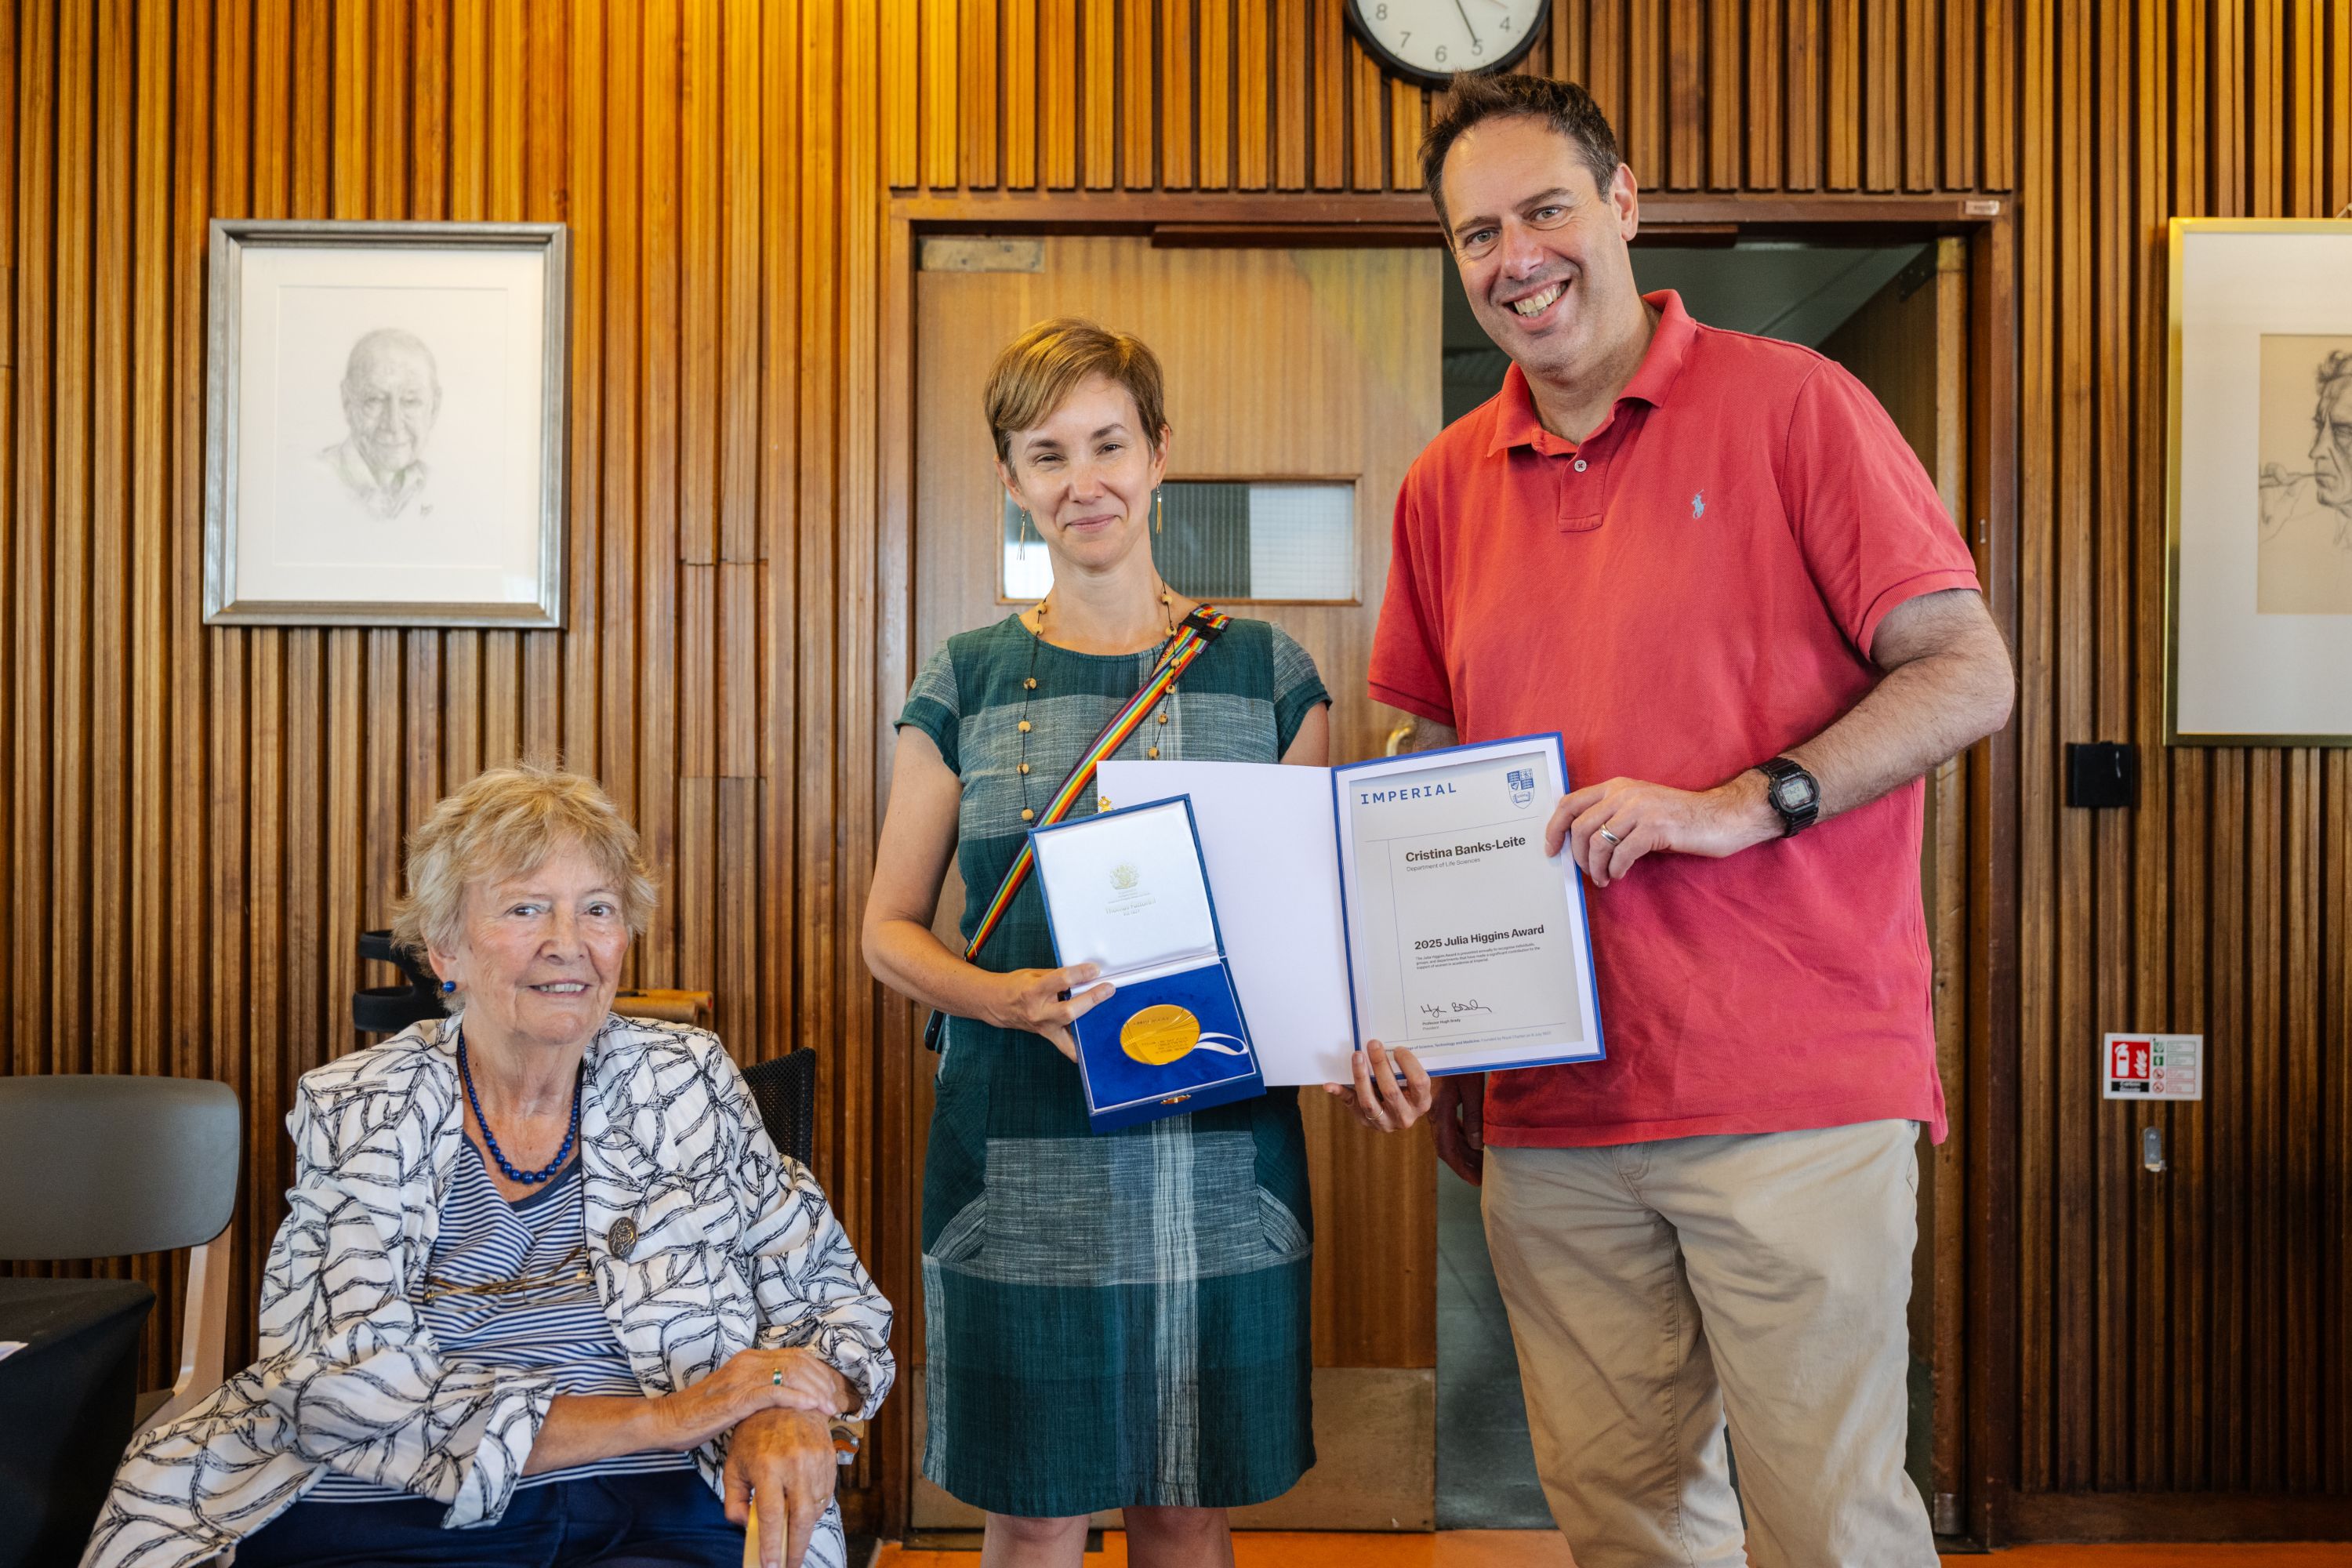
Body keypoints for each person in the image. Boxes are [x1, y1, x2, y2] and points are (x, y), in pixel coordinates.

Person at [1363, 74, 2016, 1568]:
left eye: (1545, 210)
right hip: (1551, 1111)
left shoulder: (1798, 406)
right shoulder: (1443, 485)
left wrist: (1741, 805)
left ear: (1624, 204)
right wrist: (1416, 1002)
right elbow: (1429, 752)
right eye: (1477, 234)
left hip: (1791, 1090)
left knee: (1831, 1530)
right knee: (1629, 1529)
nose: (1515, 258)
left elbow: (1970, 672)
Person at [862, 318, 1432, 1568]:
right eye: (1048, 454)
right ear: (1011, 479)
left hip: (1216, 1153)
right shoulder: (964, 679)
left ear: (1160, 453)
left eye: (1109, 444)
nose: (1085, 482)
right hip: (1019, 1146)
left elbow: (1309, 937)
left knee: (1187, 1502)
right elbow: (887, 934)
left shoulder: (1269, 675)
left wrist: (1360, 1054)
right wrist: (1005, 999)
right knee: (1034, 1508)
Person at [82, 765, 893, 1568]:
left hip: (664, 1502)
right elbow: (338, 1385)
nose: (568, 944)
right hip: (400, 1509)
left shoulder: (687, 1079)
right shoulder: (365, 1103)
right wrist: (673, 1416)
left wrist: (787, 1404)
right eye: (525, 908)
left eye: (598, 909)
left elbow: (839, 1304)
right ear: (446, 949)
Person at [2256, 346, 2352, 614]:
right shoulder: (2293, 531)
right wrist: (2254, 537)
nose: (2316, 450)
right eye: (2320, 426)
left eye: (2345, 431)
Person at [318, 326, 443, 521]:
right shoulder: (314, 480)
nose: (393, 424)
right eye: (375, 399)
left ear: (434, 408)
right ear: (347, 402)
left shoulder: (443, 488)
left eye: (410, 401)